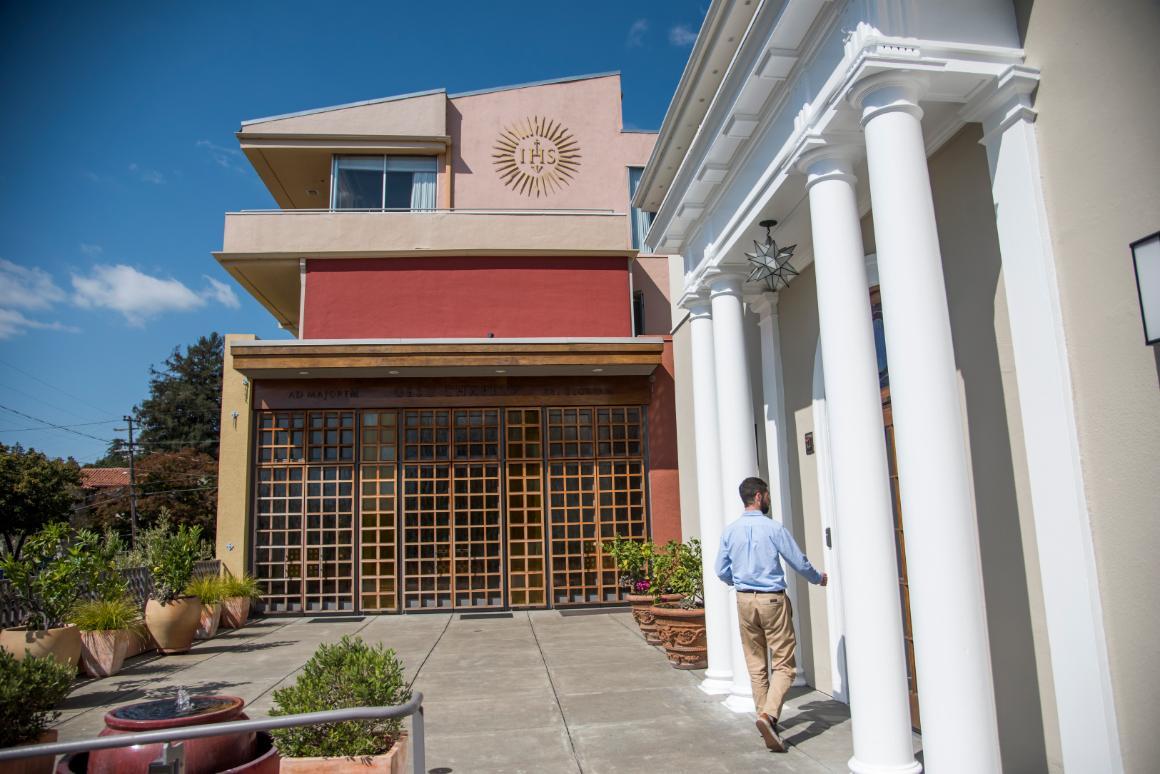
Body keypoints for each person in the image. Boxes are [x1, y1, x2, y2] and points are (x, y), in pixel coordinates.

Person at [715, 476, 828, 753]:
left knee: (756, 664)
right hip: (772, 600)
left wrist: (738, 582)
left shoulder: (730, 531)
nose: (768, 498)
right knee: (784, 665)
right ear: (758, 496)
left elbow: (720, 570)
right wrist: (817, 578)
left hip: (744, 600)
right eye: (766, 494)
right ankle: (768, 716)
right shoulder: (773, 528)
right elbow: (797, 560)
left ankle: (765, 719)